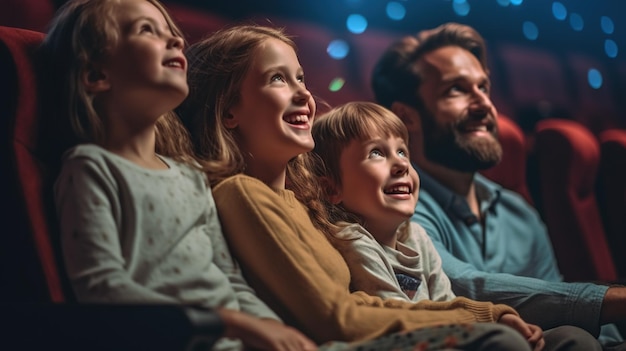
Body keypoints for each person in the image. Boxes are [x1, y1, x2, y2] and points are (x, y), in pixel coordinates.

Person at [177, 23, 547, 351]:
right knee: (500, 343)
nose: (304, 94)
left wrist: (482, 312)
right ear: (229, 112)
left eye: (301, 78)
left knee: (569, 340)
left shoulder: (302, 203)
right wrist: (478, 319)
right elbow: (336, 318)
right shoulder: (244, 193)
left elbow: (360, 302)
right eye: (277, 78)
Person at [42, 1, 318, 350]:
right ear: (97, 75)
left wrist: (273, 330)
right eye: (147, 30)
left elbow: (230, 279)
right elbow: (101, 287)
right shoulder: (90, 168)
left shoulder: (190, 176)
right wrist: (229, 323)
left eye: (171, 31)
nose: (174, 40)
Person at [370, 22, 626, 349]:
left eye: (483, 88)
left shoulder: (518, 212)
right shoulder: (397, 203)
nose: (484, 106)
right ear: (406, 116)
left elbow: (564, 307)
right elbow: (459, 285)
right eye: (456, 90)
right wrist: (611, 300)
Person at [309, 101, 605, 351]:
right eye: (376, 153)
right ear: (332, 189)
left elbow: (446, 301)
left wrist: (489, 318)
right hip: (414, 340)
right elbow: (400, 314)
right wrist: (487, 321)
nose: (400, 165)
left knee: (573, 338)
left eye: (402, 152)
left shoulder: (416, 236)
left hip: (450, 332)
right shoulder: (352, 241)